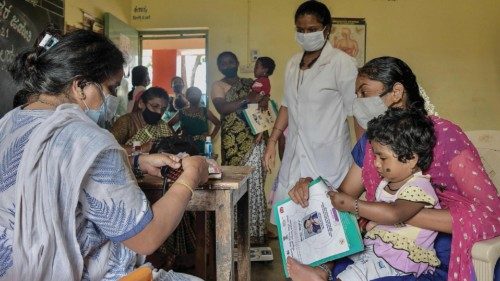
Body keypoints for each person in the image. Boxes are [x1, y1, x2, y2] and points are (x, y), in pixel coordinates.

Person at [1, 29, 208, 280]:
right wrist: (190, 177)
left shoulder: (10, 122)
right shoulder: (89, 139)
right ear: (80, 86)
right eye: (111, 88)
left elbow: (51, 171)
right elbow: (146, 238)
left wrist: (135, 162)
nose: (111, 99)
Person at [286, 56, 499, 281]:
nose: (357, 102)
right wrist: (310, 187)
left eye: (364, 93)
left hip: (434, 253)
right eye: (356, 95)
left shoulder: (445, 136)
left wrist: (389, 212)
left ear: (396, 92)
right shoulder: (370, 143)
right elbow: (342, 199)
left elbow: (490, 213)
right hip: (381, 242)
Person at [263, 1, 358, 217]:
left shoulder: (341, 63)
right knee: (293, 225)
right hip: (295, 154)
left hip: (329, 156)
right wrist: (272, 141)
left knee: (328, 225)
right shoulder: (292, 63)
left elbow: (357, 113)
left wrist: (364, 159)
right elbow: (287, 105)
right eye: (301, 30)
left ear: (327, 29)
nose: (306, 34)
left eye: (312, 30)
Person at [333, 108, 440, 280]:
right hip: (379, 249)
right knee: (341, 254)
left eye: (382, 158)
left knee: (353, 275)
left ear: (411, 159)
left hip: (400, 260)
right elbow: (380, 218)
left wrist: (352, 205)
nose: (375, 164)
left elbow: (393, 213)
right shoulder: (386, 184)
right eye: (375, 156)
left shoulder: (420, 186)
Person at [211, 51, 268, 245]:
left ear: (236, 62)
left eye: (230, 61)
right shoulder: (218, 85)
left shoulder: (250, 83)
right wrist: (247, 100)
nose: (227, 65)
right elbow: (222, 108)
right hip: (233, 142)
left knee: (255, 183)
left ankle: (257, 231)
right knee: (236, 185)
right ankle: (237, 232)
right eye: (222, 62)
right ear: (219, 67)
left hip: (254, 138)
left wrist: (261, 100)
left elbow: (263, 102)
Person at [168, 86, 221, 154]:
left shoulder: (205, 111)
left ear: (200, 96)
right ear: (187, 97)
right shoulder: (181, 113)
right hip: (186, 146)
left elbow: (218, 123)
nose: (194, 95)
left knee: (206, 163)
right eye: (192, 94)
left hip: (204, 146)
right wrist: (177, 138)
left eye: (196, 94)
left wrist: (211, 137)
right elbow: (169, 125)